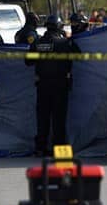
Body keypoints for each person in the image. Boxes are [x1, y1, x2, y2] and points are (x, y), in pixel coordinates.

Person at [25, 15, 74, 157]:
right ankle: (59, 151)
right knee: (59, 119)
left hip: (42, 85)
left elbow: (28, 61)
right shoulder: (64, 43)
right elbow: (75, 56)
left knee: (43, 118)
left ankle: (40, 148)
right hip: (60, 85)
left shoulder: (38, 42)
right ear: (59, 27)